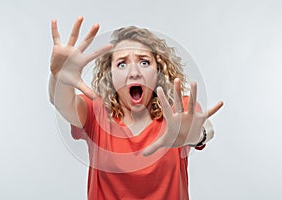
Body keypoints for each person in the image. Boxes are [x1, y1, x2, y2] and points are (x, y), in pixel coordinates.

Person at [49, 16, 223, 200]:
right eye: (122, 64)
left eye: (144, 62)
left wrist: (196, 135)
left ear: (158, 71)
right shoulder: (96, 112)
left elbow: (205, 128)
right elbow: (61, 102)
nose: (134, 73)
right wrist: (59, 78)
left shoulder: (178, 110)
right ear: (110, 75)